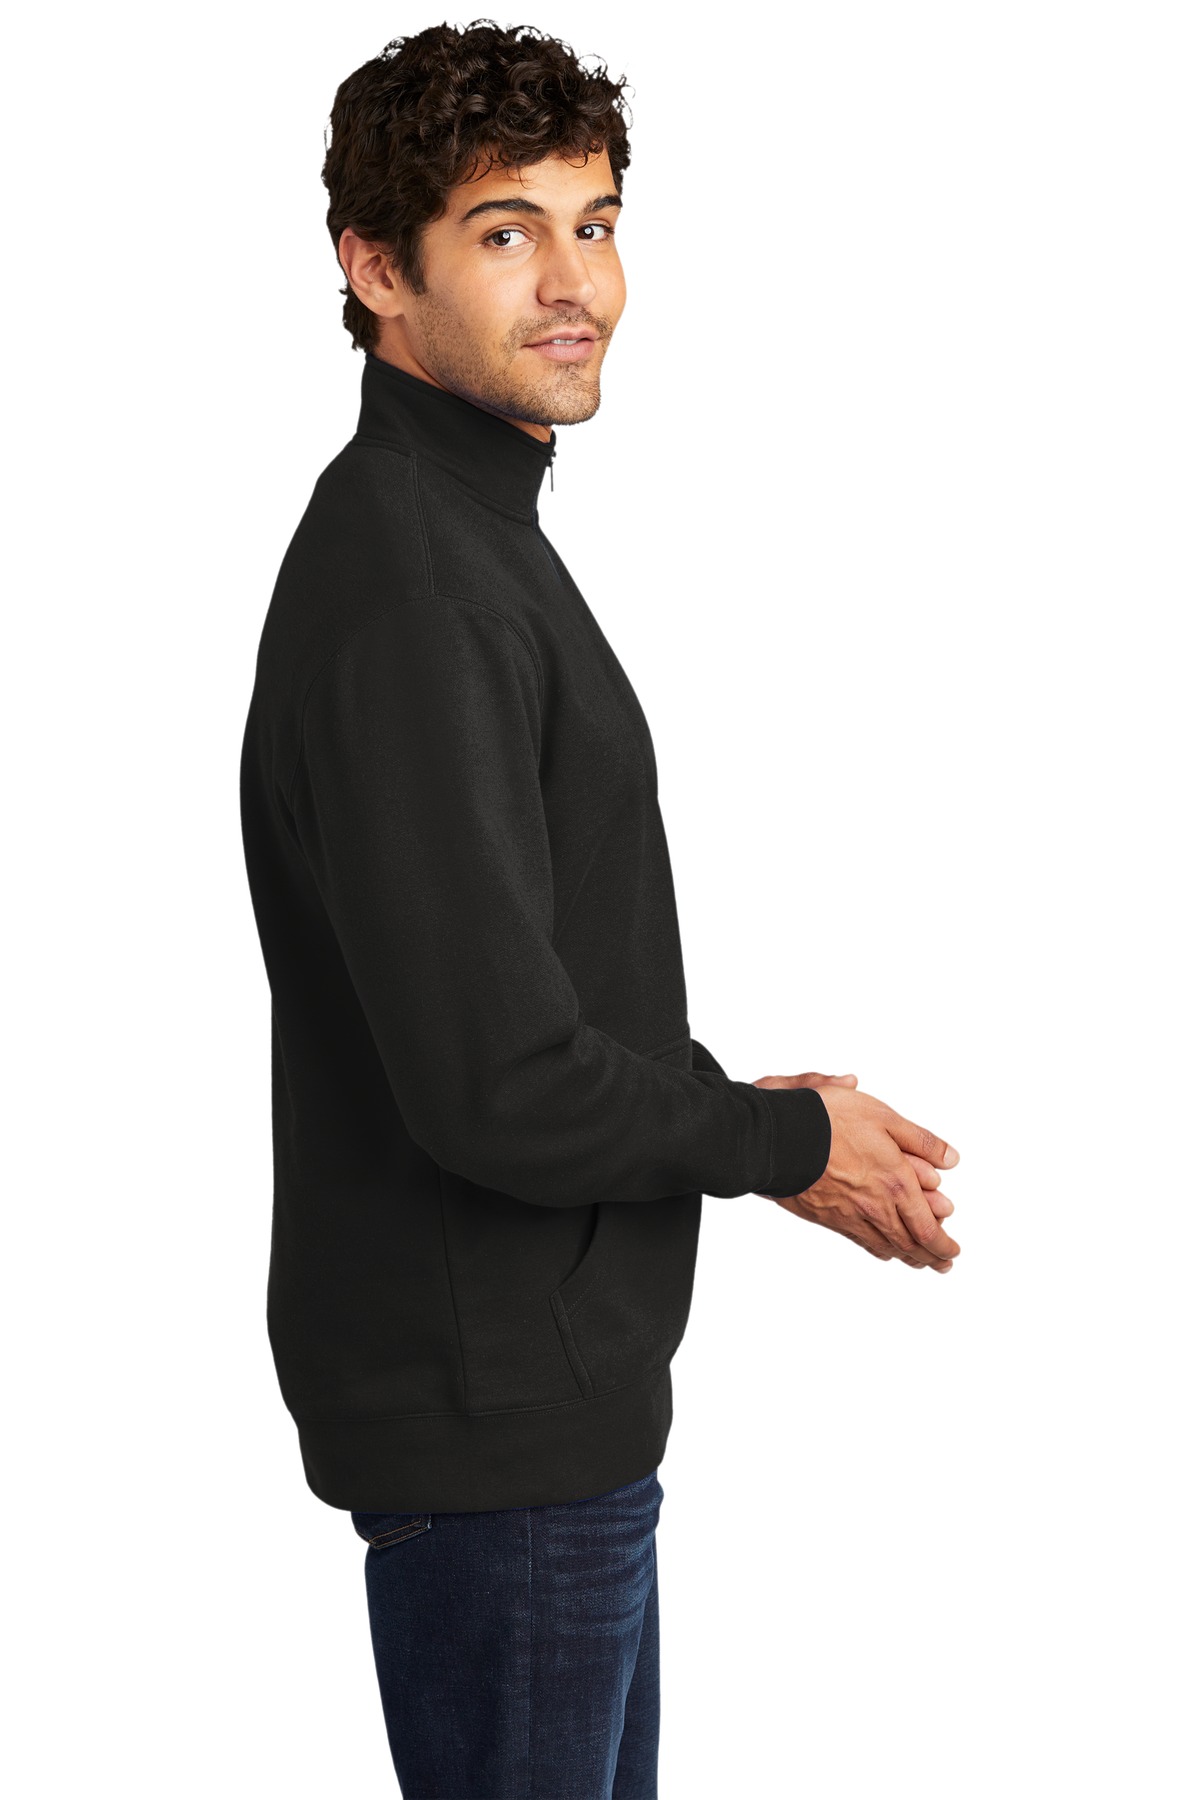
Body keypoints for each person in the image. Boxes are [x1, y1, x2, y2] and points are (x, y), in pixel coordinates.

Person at [238, 21, 962, 1798]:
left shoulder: (462, 535)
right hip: (503, 1445)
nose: (577, 284)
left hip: (538, 1430)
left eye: (599, 222)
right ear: (375, 268)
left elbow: (515, 997)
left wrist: (733, 1111)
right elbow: (497, 1087)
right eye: (506, 232)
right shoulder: (418, 584)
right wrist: (781, 1142)